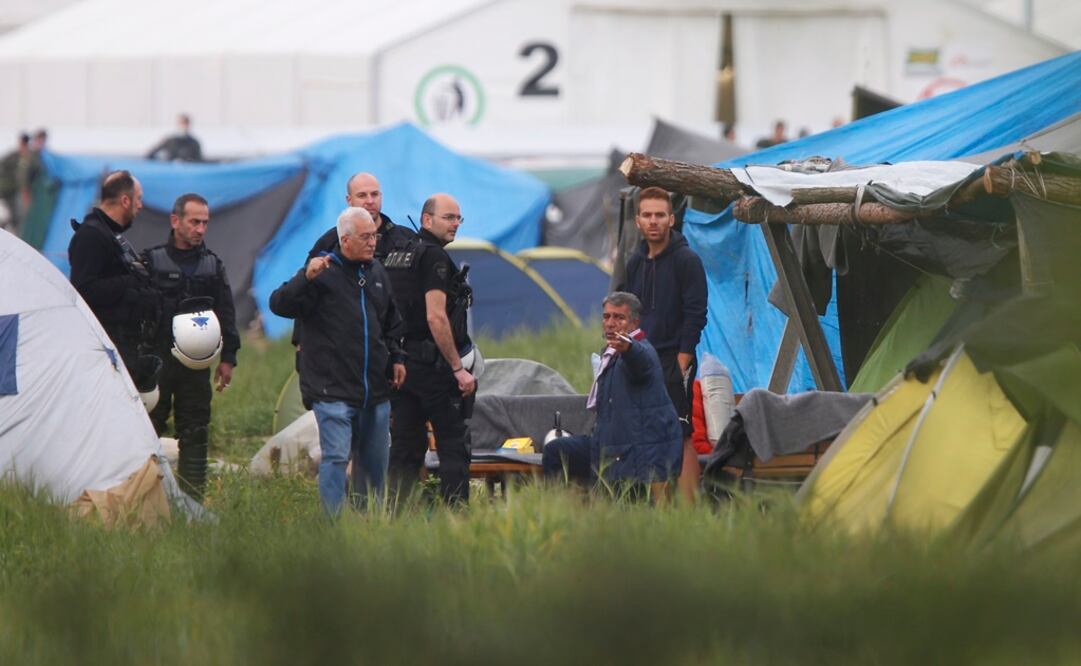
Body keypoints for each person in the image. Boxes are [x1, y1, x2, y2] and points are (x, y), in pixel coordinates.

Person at [270, 207, 406, 516]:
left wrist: (397, 356)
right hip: (331, 388)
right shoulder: (320, 273)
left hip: (374, 388)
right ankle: (333, 527)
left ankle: (368, 521)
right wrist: (305, 278)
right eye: (366, 237)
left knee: (374, 462)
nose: (373, 242)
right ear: (345, 239)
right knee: (336, 456)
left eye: (375, 235)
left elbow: (391, 322)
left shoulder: (376, 273)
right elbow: (279, 304)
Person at [143, 193, 240, 501]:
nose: (200, 229)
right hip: (156, 363)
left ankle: (193, 501)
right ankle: (142, 497)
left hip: (196, 366)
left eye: (205, 223)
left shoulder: (212, 266)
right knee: (147, 430)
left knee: (196, 432)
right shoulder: (150, 261)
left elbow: (226, 313)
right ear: (176, 221)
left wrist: (229, 358)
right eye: (194, 222)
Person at [542, 292, 683, 495]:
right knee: (557, 450)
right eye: (607, 316)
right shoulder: (609, 354)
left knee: (622, 502)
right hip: (607, 441)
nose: (610, 323)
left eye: (619, 317)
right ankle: (562, 513)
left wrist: (628, 349)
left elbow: (640, 362)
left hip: (633, 448)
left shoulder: (641, 350)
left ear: (634, 323)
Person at [618, 186, 707, 502]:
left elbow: (696, 312)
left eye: (659, 214)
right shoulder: (634, 264)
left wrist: (683, 358)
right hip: (642, 358)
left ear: (671, 218)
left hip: (673, 359)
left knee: (680, 434)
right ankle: (662, 512)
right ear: (638, 221)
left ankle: (689, 512)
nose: (653, 221)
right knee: (650, 436)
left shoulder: (687, 260)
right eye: (647, 215)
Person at [387, 193, 476, 506]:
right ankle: (455, 519)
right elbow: (436, 316)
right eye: (449, 218)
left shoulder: (399, 255)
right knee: (453, 446)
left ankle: (396, 519)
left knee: (404, 450)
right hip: (434, 370)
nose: (455, 224)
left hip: (402, 367)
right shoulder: (435, 258)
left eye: (458, 218)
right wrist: (457, 368)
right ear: (427, 220)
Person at [292, 172, 417, 364]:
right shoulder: (331, 241)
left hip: (403, 346)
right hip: (347, 349)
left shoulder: (405, 238)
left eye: (374, 194)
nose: (369, 201)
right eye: (362, 195)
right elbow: (307, 290)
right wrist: (300, 340)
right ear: (349, 200)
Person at [68, 170, 161, 382]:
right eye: (138, 199)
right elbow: (84, 290)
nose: (141, 205)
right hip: (105, 345)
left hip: (124, 341)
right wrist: (130, 281)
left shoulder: (111, 235)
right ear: (125, 200)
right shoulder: (91, 235)